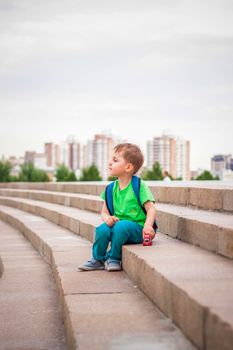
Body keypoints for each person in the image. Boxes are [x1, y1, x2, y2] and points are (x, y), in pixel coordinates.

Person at [78, 143, 157, 272]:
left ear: (128, 167)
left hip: (138, 229)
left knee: (121, 226)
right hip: (118, 227)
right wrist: (107, 218)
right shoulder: (110, 189)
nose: (110, 163)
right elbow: (104, 212)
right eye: (111, 159)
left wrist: (148, 226)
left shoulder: (139, 186)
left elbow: (151, 209)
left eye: (115, 160)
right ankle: (98, 259)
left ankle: (114, 257)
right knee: (102, 230)